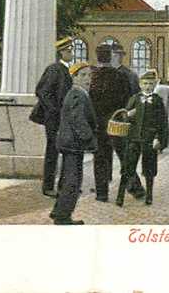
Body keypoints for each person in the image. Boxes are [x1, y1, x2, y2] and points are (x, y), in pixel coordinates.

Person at [50, 62, 97, 225]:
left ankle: (59, 211)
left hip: (69, 143)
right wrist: (90, 139)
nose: (88, 79)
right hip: (73, 144)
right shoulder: (77, 94)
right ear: (74, 77)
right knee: (72, 180)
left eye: (90, 75)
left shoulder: (76, 93)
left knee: (67, 179)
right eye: (83, 75)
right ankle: (63, 217)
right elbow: (78, 120)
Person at [116, 69, 169, 207]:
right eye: (145, 83)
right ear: (140, 84)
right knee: (128, 168)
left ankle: (149, 196)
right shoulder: (134, 98)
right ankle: (120, 196)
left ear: (155, 85)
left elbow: (162, 122)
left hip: (149, 140)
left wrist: (159, 138)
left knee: (149, 169)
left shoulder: (157, 101)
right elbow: (123, 115)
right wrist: (128, 114)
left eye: (151, 84)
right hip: (133, 139)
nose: (147, 86)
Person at [89, 44, 133, 202]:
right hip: (116, 123)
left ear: (98, 57)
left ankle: (102, 193)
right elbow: (128, 99)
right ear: (110, 56)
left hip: (98, 125)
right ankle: (136, 188)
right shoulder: (120, 76)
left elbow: (89, 101)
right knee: (124, 156)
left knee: (100, 158)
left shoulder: (93, 77)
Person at [32, 36, 74, 197]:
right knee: (53, 151)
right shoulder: (54, 69)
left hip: (63, 118)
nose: (71, 54)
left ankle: (63, 185)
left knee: (62, 150)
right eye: (68, 51)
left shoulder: (67, 70)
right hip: (54, 119)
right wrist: (55, 110)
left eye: (71, 51)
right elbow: (42, 91)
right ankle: (48, 186)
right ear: (61, 53)